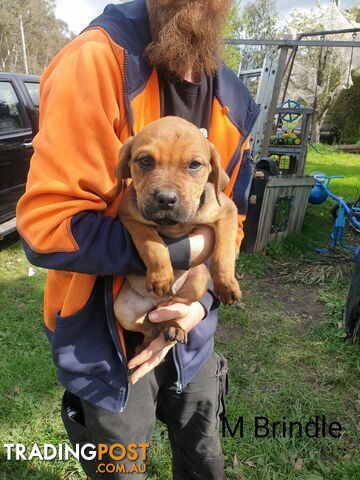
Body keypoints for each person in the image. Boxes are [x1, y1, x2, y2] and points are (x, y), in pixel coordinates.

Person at [16, 0, 259, 478]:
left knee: (204, 460)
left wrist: (199, 303)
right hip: (106, 342)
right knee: (122, 470)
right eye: (146, 163)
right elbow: (47, 227)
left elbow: (235, 215)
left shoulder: (233, 96)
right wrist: (177, 251)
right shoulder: (96, 60)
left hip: (192, 333)